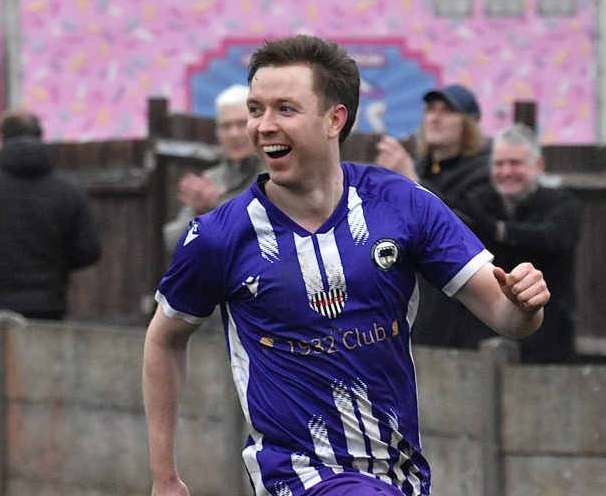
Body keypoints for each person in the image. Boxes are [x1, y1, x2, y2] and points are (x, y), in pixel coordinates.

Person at [143, 35, 550, 496]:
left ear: (334, 119)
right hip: (296, 479)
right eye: (257, 109)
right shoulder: (221, 235)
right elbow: (163, 337)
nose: (263, 126)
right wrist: (164, 478)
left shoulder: (401, 204)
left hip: (400, 478)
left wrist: (526, 304)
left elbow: (507, 317)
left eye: (285, 109)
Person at [0, 109, 102, 320]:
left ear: (1, 139)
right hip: (47, 308)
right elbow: (89, 251)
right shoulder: (68, 190)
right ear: (41, 139)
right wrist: (56, 262)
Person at [372, 84, 491, 348]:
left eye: (447, 111)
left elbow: (467, 227)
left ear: (469, 123)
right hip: (417, 308)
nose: (435, 118)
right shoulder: (424, 168)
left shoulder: (485, 173)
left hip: (462, 315)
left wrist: (412, 180)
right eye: (431, 110)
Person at [458, 123, 583, 361]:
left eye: (515, 163)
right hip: (479, 344)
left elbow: (553, 237)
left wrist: (499, 231)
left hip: (547, 347)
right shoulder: (477, 203)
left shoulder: (562, 205)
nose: (506, 171)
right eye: (499, 164)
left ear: (538, 165)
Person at [162, 84, 263, 257]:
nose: (234, 134)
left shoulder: (275, 174)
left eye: (241, 124)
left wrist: (212, 213)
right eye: (226, 126)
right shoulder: (211, 179)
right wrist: (199, 213)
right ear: (218, 134)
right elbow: (174, 241)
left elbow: (258, 235)